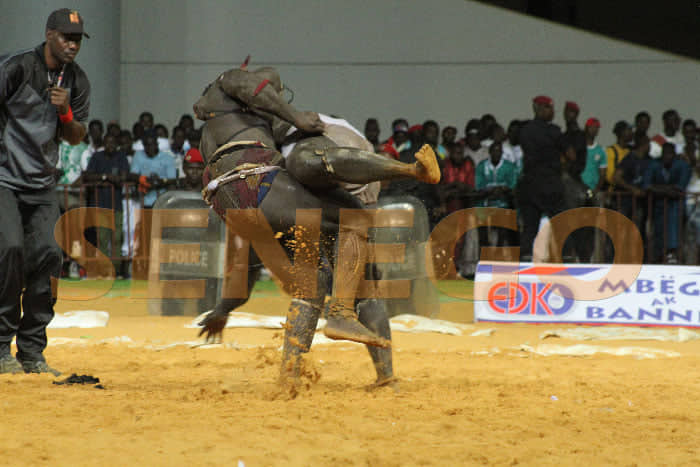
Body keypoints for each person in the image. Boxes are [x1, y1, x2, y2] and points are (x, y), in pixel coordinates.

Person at [192, 65, 440, 385]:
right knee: (354, 227)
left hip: (240, 198)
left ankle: (291, 376)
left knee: (314, 279)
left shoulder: (229, 124)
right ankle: (343, 317)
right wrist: (295, 116)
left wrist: (224, 308)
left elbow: (250, 263)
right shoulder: (236, 88)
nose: (276, 96)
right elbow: (253, 89)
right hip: (260, 180)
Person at [0, 8, 90, 375]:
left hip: (41, 184)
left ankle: (32, 352)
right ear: (49, 34)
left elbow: (77, 136)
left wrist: (66, 113)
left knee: (50, 258)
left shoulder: (78, 80)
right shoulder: (19, 67)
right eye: (66, 37)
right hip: (4, 179)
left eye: (78, 39)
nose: (72, 44)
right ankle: (1, 348)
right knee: (10, 250)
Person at [515, 95, 567, 261]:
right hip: (550, 183)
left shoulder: (525, 130)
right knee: (560, 223)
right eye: (549, 108)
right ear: (540, 108)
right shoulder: (554, 131)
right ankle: (564, 257)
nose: (553, 112)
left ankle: (525, 260)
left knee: (530, 227)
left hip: (529, 184)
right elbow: (570, 154)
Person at [82, 134, 134, 277]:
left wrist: (107, 179)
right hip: (100, 204)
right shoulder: (97, 157)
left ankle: (115, 270)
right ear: (104, 143)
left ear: (116, 144)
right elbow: (87, 175)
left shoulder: (121, 157)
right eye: (108, 142)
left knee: (117, 237)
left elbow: (122, 178)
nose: (110, 145)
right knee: (103, 238)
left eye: (113, 142)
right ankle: (104, 269)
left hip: (116, 204)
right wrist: (106, 177)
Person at [644, 143, 691, 263]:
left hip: (676, 205)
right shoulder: (654, 164)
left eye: (670, 154)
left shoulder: (683, 165)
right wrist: (668, 190)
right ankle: (659, 255)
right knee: (658, 230)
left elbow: (680, 188)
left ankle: (672, 252)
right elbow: (647, 186)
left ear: (674, 155)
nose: (667, 157)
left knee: (673, 213)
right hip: (657, 204)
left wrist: (659, 189)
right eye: (665, 154)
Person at [614, 134, 653, 261]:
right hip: (626, 201)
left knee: (638, 229)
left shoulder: (649, 160)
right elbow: (617, 177)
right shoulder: (629, 159)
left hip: (641, 203)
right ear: (643, 144)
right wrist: (632, 189)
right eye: (648, 143)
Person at [604, 120, 633, 194]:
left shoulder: (631, 151)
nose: (631, 133)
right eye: (629, 130)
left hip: (631, 193)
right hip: (615, 194)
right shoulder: (610, 151)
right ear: (621, 133)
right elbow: (610, 176)